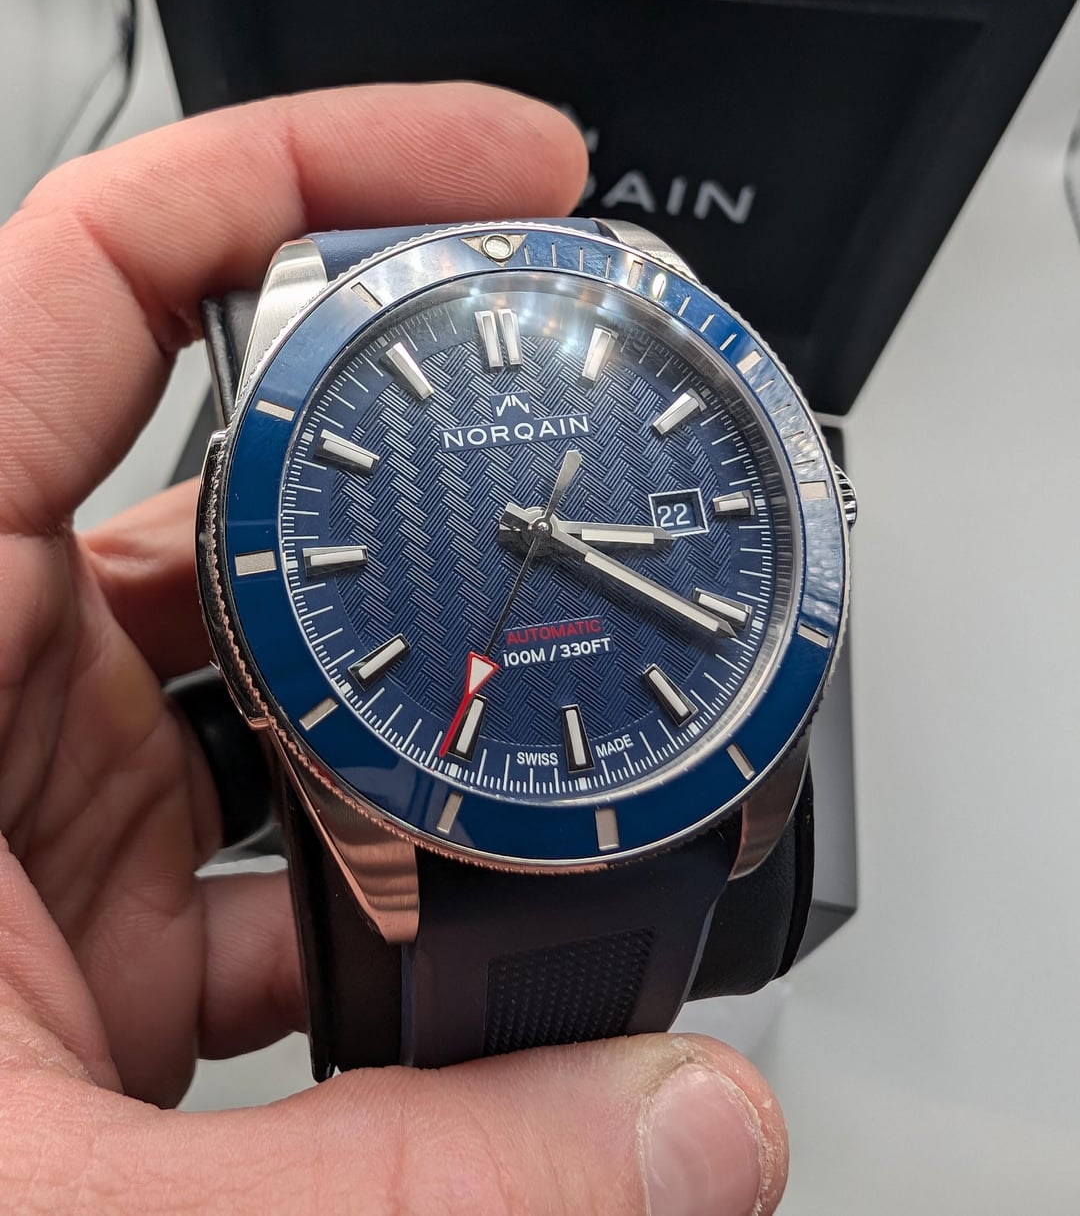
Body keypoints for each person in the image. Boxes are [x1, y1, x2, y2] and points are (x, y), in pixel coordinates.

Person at [0, 81, 788, 1214]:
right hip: (449, 814)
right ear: (225, 593)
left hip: (668, 767)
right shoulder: (299, 324)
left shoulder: (642, 298)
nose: (539, 538)